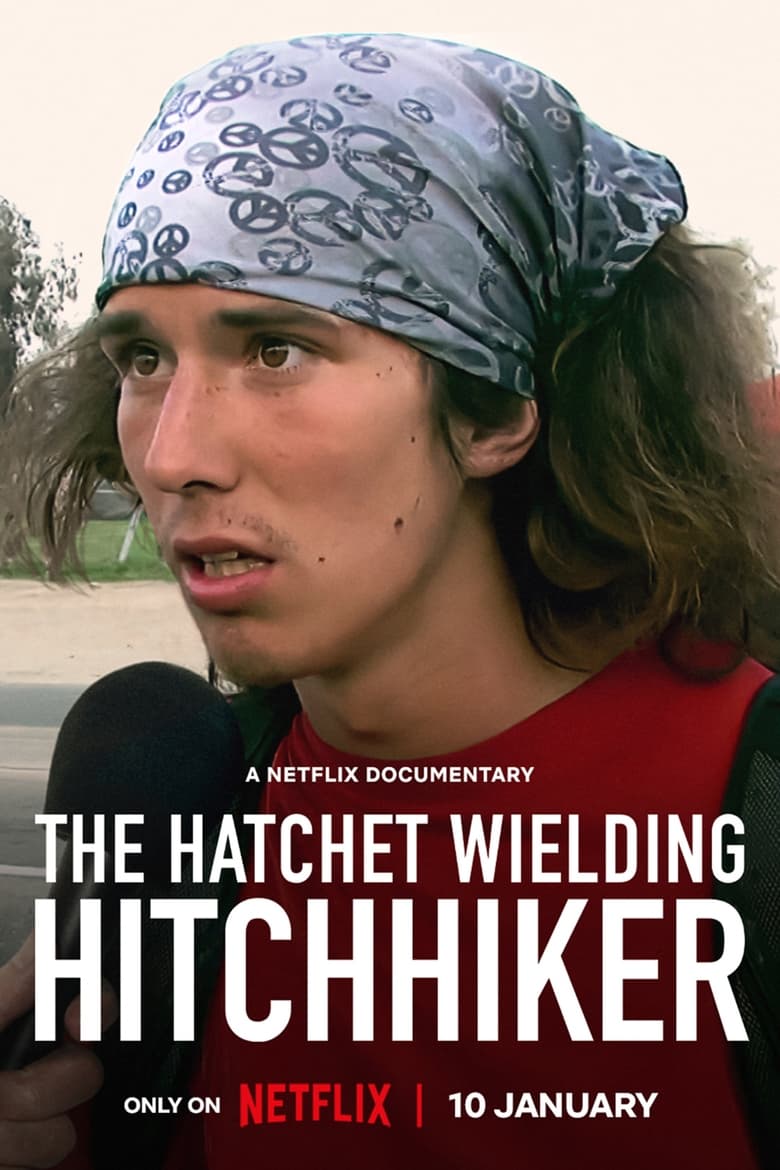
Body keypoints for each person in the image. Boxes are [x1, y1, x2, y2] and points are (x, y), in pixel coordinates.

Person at [1, 31, 778, 1170]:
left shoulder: (747, 818)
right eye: (144, 361)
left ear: (495, 405)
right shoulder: (191, 824)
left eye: (275, 350)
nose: (171, 457)